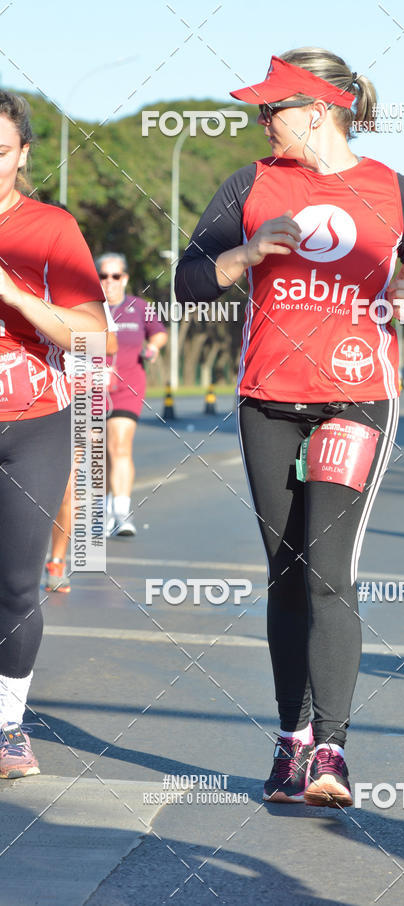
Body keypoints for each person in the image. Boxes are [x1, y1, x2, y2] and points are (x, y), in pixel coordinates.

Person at [176, 48, 404, 807]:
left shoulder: (396, 190)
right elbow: (188, 279)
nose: (263, 121)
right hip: (267, 397)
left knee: (328, 569)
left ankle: (331, 750)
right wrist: (247, 251)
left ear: (321, 108)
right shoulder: (250, 185)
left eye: (274, 109)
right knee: (286, 570)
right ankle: (289, 743)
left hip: (356, 396)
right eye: (261, 110)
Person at [0, 91, 107, 778]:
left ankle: (7, 728)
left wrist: (15, 295)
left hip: (32, 423)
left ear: (22, 155)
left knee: (13, 586)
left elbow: (94, 334)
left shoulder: (50, 229)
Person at [44, 302, 118, 593]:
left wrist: (56, 327)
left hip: (77, 392)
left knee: (66, 481)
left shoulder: (83, 293)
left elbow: (109, 341)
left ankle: (56, 560)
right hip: (26, 389)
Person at [98, 253, 167, 537]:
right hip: (91, 391)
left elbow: (159, 333)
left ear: (125, 278)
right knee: (99, 454)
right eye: (103, 276)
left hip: (128, 389)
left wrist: (152, 349)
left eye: (115, 276)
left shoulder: (140, 307)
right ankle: (102, 511)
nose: (109, 282)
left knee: (120, 446)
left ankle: (122, 515)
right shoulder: (88, 309)